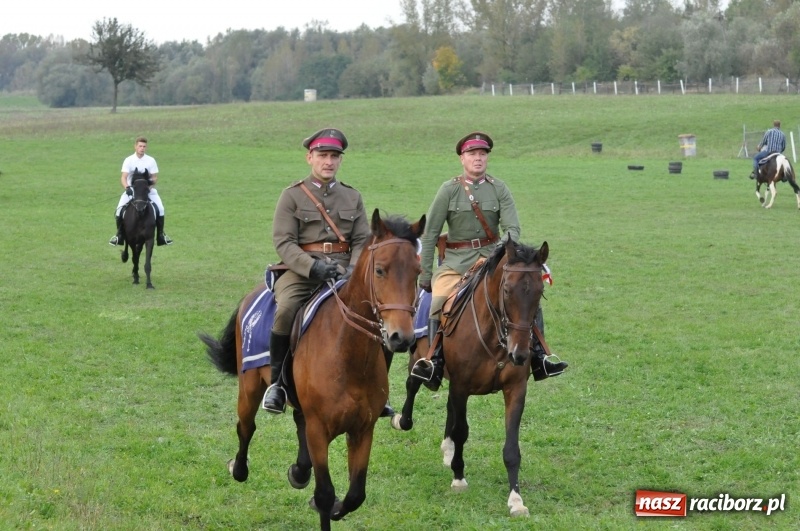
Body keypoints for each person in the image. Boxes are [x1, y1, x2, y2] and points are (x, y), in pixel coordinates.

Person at [411, 131, 568, 391]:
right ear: (462, 158)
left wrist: (496, 252)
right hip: (456, 263)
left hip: (493, 261)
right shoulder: (449, 189)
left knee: (526, 298)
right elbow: (430, 235)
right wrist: (426, 275)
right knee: (438, 300)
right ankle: (434, 360)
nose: (478, 158)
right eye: (472, 154)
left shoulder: (499, 188)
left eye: (482, 154)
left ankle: (540, 357)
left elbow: (512, 230)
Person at [263, 127, 389, 415]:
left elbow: (361, 239)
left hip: (345, 271)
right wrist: (313, 267)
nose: (329, 162)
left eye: (334, 156)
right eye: (323, 155)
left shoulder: (352, 197)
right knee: (287, 309)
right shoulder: (292, 196)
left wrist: (354, 269)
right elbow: (284, 241)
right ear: (310, 157)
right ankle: (277, 385)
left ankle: (377, 389)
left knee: (383, 313)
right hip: (302, 271)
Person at [109, 137, 173, 246]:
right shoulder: (129, 160)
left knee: (161, 209)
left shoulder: (151, 160)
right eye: (140, 146)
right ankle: (119, 236)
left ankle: (161, 236)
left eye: (144, 146)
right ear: (135, 146)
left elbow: (154, 177)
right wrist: (127, 188)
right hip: (132, 191)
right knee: (119, 210)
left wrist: (149, 187)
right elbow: (123, 177)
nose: (142, 148)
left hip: (148, 190)